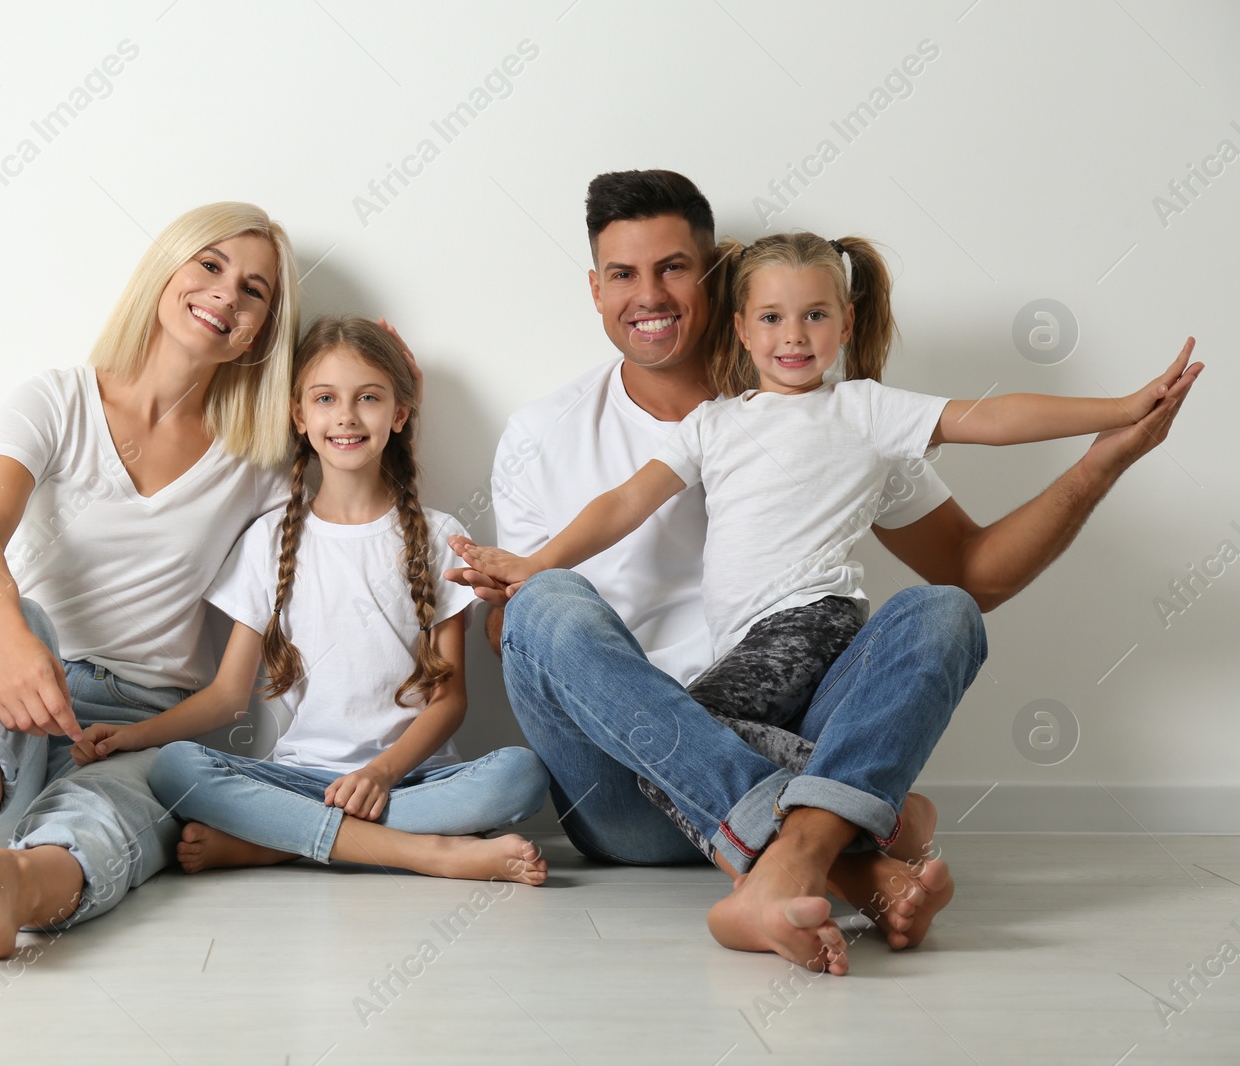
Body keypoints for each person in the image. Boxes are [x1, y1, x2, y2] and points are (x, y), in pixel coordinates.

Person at [447, 170, 1201, 973]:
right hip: (625, 791)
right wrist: (525, 572)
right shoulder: (555, 432)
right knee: (547, 599)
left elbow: (975, 569)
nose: (649, 295)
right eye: (623, 275)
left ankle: (788, 863)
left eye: (671, 267)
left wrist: (1107, 455)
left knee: (941, 609)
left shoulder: (845, 421)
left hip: (794, 719)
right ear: (596, 290)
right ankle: (853, 847)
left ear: (714, 282)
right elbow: (528, 628)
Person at [0, 202, 304, 959]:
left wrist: (388, 379)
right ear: (166, 270)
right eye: (210, 265)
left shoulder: (258, 461)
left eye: (254, 290)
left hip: (137, 727)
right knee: (20, 612)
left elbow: (355, 461)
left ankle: (2, 888)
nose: (227, 294)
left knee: (117, 808)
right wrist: (9, 647)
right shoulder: (57, 400)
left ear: (262, 330)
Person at [73, 317, 550, 884]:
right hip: (301, 778)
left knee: (520, 775)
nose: (346, 416)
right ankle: (426, 852)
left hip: (413, 777)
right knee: (177, 768)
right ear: (300, 416)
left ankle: (281, 842)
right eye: (325, 399)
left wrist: (380, 773)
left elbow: (450, 703)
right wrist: (133, 735)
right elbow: (228, 697)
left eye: (369, 398)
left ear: (399, 415)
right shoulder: (268, 540)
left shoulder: (438, 534)